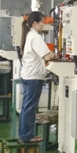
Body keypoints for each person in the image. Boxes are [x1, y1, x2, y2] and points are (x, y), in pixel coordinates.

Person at [19, 11, 57, 143]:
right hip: (34, 77)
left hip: (27, 75)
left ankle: (24, 134)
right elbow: (47, 56)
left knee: (26, 107)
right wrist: (53, 55)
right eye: (42, 23)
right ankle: (27, 136)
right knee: (30, 108)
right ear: (35, 23)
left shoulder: (29, 35)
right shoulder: (35, 37)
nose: (43, 25)